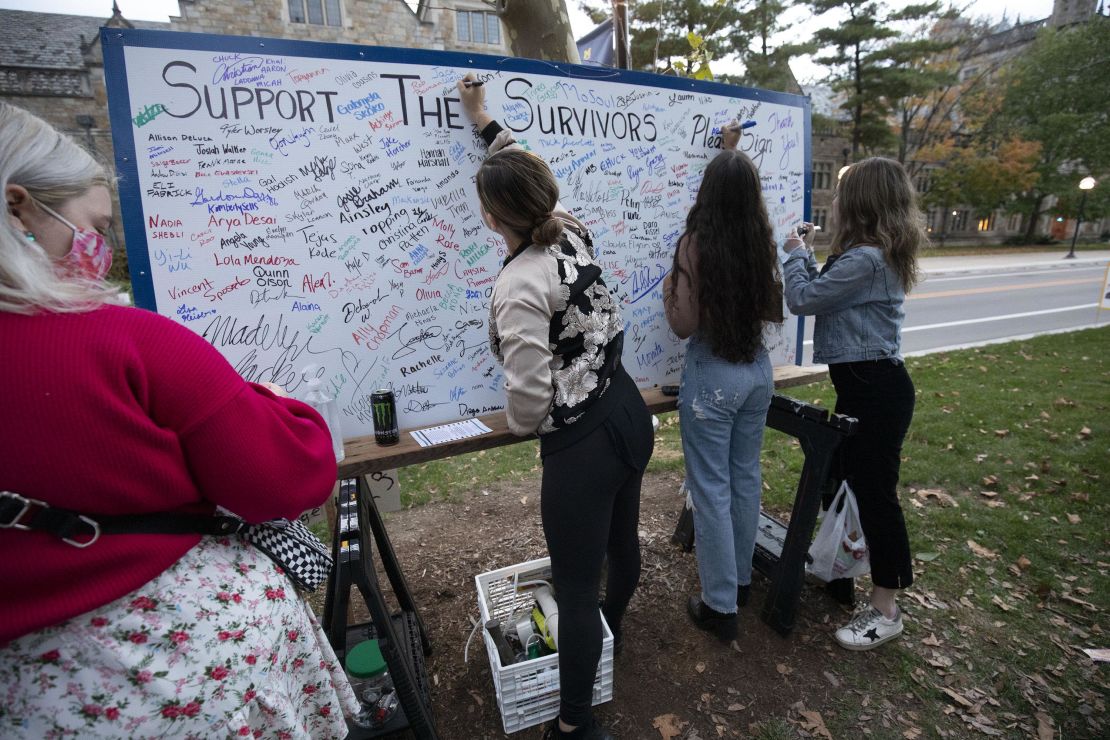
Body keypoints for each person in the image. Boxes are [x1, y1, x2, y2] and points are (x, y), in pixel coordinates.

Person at [0, 102, 358, 737]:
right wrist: (274, 403)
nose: (101, 251)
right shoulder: (124, 341)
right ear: (19, 207)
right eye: (92, 226)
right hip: (178, 677)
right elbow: (284, 478)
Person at [457, 75, 653, 740]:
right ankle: (611, 635)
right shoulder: (569, 228)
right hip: (627, 411)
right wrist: (484, 122)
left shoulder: (518, 284)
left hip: (584, 446)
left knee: (573, 583)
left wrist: (520, 427)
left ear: (490, 218)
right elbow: (526, 170)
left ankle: (574, 723)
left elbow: (530, 395)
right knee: (620, 546)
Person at [782, 156, 924, 650]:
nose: (835, 200)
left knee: (876, 496)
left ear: (862, 202)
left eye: (843, 192)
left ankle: (886, 609)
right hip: (866, 387)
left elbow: (803, 299)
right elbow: (829, 291)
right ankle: (840, 571)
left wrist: (795, 253)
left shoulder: (867, 259)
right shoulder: (868, 254)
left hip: (877, 392)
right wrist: (811, 253)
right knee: (833, 478)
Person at [663, 123, 784, 643]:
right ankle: (737, 583)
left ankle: (719, 606)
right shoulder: (763, 241)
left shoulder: (695, 245)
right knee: (744, 479)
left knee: (711, 489)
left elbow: (684, 324)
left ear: (704, 196)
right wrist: (730, 151)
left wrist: (671, 292)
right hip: (757, 372)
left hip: (713, 375)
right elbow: (773, 307)